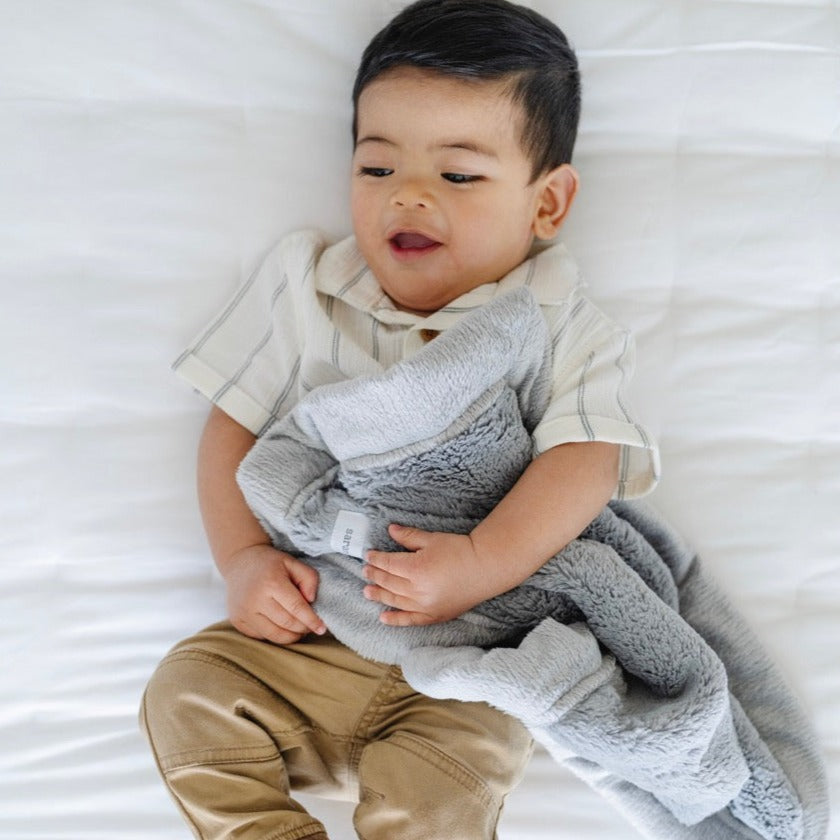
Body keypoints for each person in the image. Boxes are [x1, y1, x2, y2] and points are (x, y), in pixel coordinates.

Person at [140, 1, 659, 838]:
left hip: (470, 661)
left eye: (458, 176)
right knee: (184, 690)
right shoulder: (306, 287)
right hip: (309, 637)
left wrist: (482, 562)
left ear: (548, 204)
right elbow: (230, 427)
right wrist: (240, 560)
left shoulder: (561, 322)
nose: (409, 198)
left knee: (439, 789)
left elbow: (588, 458)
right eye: (377, 170)